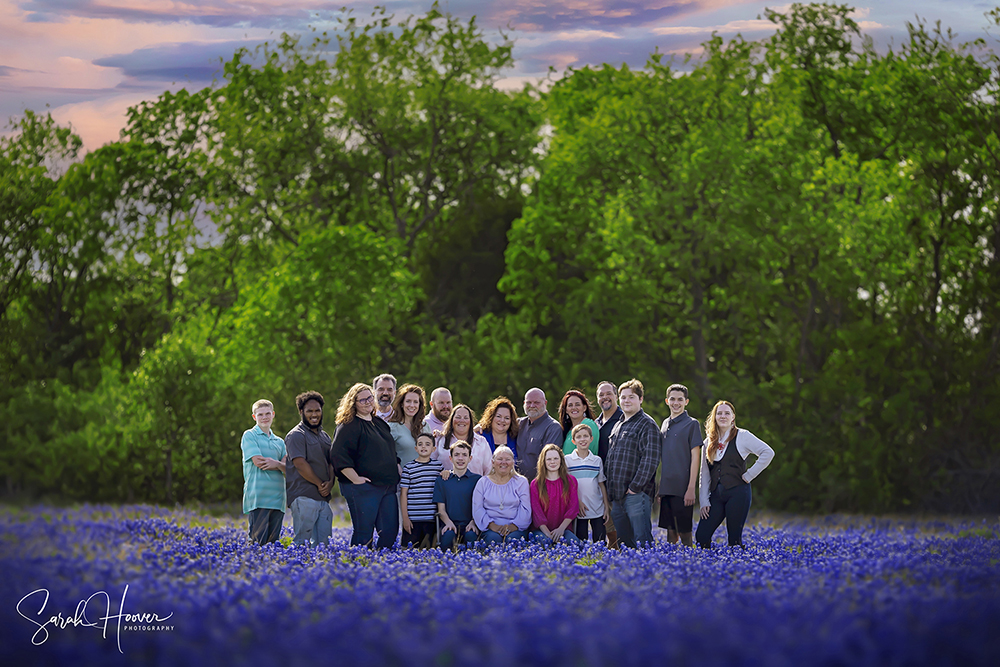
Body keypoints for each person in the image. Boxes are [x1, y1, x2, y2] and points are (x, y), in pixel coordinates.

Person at [330, 383, 401, 548]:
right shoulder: (348, 425)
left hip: (387, 486)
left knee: (389, 531)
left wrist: (397, 465)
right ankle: (359, 566)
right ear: (353, 403)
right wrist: (355, 479)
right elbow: (338, 454)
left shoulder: (379, 423)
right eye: (362, 400)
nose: (368, 402)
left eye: (370, 397)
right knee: (364, 533)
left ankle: (382, 565)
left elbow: (389, 449)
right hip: (363, 487)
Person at [695, 400, 775, 549]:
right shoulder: (708, 441)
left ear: (733, 417)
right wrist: (704, 500)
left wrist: (749, 475)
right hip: (716, 496)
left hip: (738, 493)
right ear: (714, 417)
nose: (723, 416)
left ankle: (736, 569)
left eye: (727, 413)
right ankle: (707, 567)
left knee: (734, 540)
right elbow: (704, 474)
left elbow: (768, 453)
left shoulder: (743, 435)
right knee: (702, 536)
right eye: (719, 413)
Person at [605, 379, 661, 549]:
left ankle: (648, 574)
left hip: (636, 494)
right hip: (617, 495)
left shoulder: (647, 424)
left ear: (641, 399)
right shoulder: (618, 424)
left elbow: (650, 459)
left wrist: (635, 488)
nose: (626, 401)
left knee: (642, 540)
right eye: (623, 397)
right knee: (625, 544)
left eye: (631, 397)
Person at [284, 391, 334, 546]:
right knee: (302, 542)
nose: (314, 414)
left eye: (317, 410)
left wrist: (331, 483)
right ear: (301, 412)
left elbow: (331, 462)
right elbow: (300, 464)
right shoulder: (296, 435)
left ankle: (319, 570)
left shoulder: (324, 436)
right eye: (309, 411)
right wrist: (320, 484)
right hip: (304, 495)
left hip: (323, 498)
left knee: (323, 544)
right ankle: (297, 569)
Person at [657, 384, 703, 547]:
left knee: (684, 532)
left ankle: (689, 565)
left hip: (683, 487)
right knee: (670, 532)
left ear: (686, 401)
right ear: (667, 401)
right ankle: (672, 567)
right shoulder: (664, 424)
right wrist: (661, 490)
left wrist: (691, 488)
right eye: (673, 399)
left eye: (680, 399)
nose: (676, 403)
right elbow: (666, 458)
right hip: (667, 487)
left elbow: (695, 457)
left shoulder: (692, 424)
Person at [241, 399, 287, 545]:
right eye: (260, 414)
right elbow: (259, 462)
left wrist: (277, 464)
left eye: (268, 413)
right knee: (257, 542)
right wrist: (280, 465)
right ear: (254, 417)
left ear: (273, 415)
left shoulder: (279, 441)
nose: (264, 417)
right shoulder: (249, 435)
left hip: (278, 498)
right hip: (258, 497)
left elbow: (289, 468)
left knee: (273, 543)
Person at [472, 446, 531, 545]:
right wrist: (492, 525)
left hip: (516, 527)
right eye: (499, 459)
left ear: (513, 463)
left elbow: (525, 509)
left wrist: (514, 526)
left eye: (507, 459)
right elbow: (477, 508)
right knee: (493, 540)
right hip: (490, 528)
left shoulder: (521, 482)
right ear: (493, 462)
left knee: (513, 540)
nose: (504, 462)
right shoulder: (483, 482)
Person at [565, 423, 610, 543]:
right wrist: (577, 502)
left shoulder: (597, 460)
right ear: (573, 441)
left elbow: (601, 484)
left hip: (597, 507)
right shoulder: (567, 460)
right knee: (581, 542)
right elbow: (567, 486)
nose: (582, 439)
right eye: (579, 437)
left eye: (585, 436)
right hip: (579, 509)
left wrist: (606, 506)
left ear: (591, 439)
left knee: (600, 542)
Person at [433, 441, 482, 552]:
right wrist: (448, 522)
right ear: (450, 458)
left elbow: (481, 506)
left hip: (470, 523)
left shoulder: (478, 480)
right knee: (448, 537)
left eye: (464, 455)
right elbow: (441, 510)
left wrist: (474, 521)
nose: (460, 458)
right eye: (456, 455)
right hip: (448, 523)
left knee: (472, 538)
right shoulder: (442, 480)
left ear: (470, 458)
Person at [529, 444, 582, 545]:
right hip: (541, 530)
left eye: (556, 458)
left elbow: (573, 508)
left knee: (575, 543)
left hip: (564, 529)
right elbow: (537, 513)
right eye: (549, 459)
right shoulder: (535, 484)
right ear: (543, 461)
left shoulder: (571, 481)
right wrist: (548, 534)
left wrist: (561, 529)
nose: (552, 462)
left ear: (561, 460)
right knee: (545, 543)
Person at [400, 433, 443, 548]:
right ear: (416, 448)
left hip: (432, 519)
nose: (423, 447)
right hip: (413, 519)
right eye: (420, 444)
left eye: (427, 444)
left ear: (434, 449)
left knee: (430, 550)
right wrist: (405, 518)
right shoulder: (408, 467)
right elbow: (403, 494)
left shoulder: (438, 467)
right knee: (409, 551)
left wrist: (447, 472)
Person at [594, 381, 623, 548]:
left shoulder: (624, 418)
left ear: (616, 396)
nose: (605, 397)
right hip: (599, 483)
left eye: (608, 394)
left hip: (618, 483)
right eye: (601, 395)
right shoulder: (595, 423)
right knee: (607, 527)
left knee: (620, 530)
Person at [517, 388, 564, 481]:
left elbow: (550, 463)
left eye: (536, 402)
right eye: (528, 402)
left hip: (538, 487)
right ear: (524, 403)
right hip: (515, 485)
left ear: (545, 403)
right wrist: (480, 427)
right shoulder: (518, 424)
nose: (532, 405)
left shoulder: (553, 428)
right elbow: (497, 427)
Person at [434, 403, 492, 476]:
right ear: (452, 420)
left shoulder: (481, 442)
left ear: (470, 421)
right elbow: (431, 466)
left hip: (476, 487)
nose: (462, 420)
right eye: (458, 417)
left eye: (466, 418)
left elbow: (489, 471)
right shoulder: (440, 440)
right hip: (446, 486)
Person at [387, 383, 431, 466]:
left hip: (424, 476)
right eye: (408, 401)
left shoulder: (425, 426)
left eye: (415, 402)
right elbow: (386, 455)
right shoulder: (391, 427)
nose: (412, 405)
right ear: (402, 404)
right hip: (402, 477)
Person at [558, 389, 600, 455]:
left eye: (577, 404)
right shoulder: (568, 430)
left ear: (584, 408)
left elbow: (587, 454)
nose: (574, 407)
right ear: (566, 410)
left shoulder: (588, 424)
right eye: (570, 405)